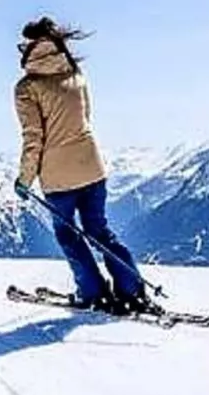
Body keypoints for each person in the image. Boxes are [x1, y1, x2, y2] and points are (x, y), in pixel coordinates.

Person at [13, 16, 153, 316]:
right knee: (99, 231)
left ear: (32, 46)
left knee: (69, 235)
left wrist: (24, 179)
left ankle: (93, 294)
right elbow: (85, 118)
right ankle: (131, 290)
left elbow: (33, 139)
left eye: (23, 45)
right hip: (92, 167)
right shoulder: (77, 74)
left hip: (59, 179)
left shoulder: (27, 88)